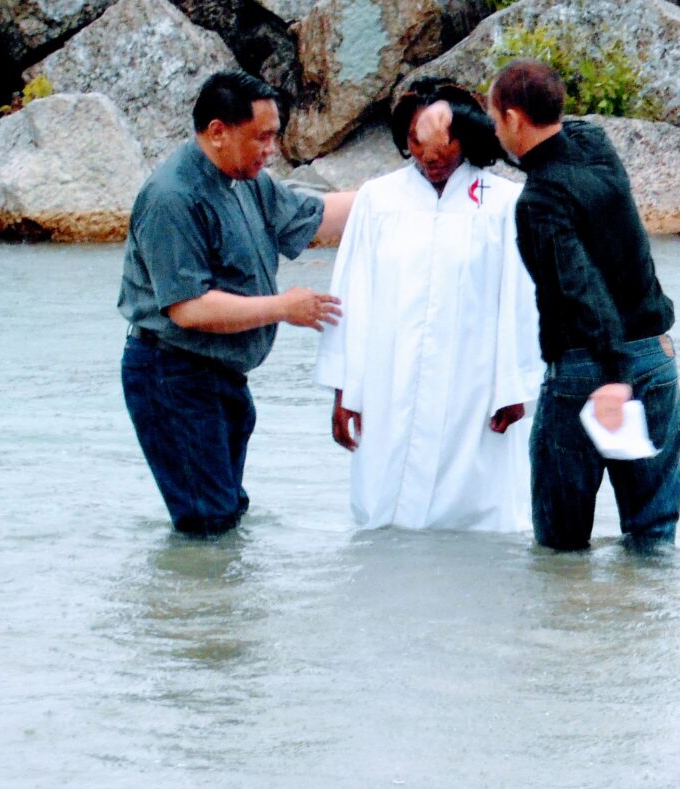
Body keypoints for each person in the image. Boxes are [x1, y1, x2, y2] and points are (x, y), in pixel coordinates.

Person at [118, 71, 355, 536]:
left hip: (221, 376)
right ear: (218, 132)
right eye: (261, 137)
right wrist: (283, 307)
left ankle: (221, 608)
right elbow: (189, 308)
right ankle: (194, 606)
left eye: (275, 136)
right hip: (171, 375)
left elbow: (315, 217)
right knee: (208, 522)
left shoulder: (248, 179)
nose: (271, 149)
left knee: (225, 514)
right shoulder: (173, 197)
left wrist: (398, 195)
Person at [314, 80, 542, 533]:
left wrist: (515, 385)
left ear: (469, 136)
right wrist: (345, 390)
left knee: (479, 518)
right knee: (386, 516)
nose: (430, 156)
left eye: (443, 142)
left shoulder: (502, 203)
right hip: (389, 382)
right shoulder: (379, 201)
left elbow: (522, 299)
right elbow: (351, 295)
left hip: (474, 384)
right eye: (416, 143)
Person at [485, 59, 680, 552]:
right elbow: (556, 134)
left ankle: (567, 631)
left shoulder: (539, 202)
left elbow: (582, 290)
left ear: (512, 119)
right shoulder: (596, 145)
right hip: (657, 360)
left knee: (560, 547)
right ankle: (651, 625)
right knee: (654, 536)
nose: (493, 129)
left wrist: (614, 377)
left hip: (588, 370)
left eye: (494, 120)